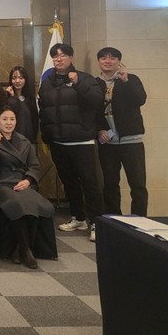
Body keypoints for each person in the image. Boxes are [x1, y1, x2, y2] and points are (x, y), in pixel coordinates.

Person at [38, 43, 104, 241]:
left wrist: (77, 84)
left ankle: (96, 223)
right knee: (69, 183)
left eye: (63, 55)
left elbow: (96, 101)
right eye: (55, 56)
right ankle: (79, 218)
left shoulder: (84, 78)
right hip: (58, 142)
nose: (59, 59)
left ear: (71, 57)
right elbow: (44, 111)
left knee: (90, 183)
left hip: (81, 141)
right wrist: (47, 135)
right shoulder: (47, 82)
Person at [0, 106, 54, 269]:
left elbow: (34, 166)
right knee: (17, 203)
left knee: (35, 202)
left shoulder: (24, 140)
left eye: (12, 119)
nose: (8, 123)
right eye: (4, 119)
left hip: (20, 182)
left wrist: (28, 180)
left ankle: (21, 248)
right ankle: (26, 250)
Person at [95, 47, 148, 216]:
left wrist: (126, 81)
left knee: (138, 184)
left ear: (119, 61)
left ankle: (139, 220)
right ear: (99, 62)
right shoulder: (95, 83)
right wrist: (99, 129)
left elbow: (140, 99)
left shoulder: (131, 79)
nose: (108, 61)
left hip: (131, 140)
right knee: (110, 184)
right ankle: (113, 220)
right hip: (108, 142)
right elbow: (91, 111)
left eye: (112, 58)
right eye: (103, 58)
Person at [4, 66, 39, 143]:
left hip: (29, 139)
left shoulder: (30, 98)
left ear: (25, 79)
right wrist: (12, 97)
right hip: (12, 139)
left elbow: (34, 120)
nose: (17, 81)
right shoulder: (6, 97)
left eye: (21, 78)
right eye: (14, 78)